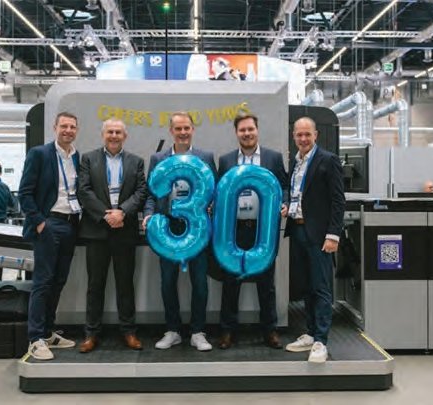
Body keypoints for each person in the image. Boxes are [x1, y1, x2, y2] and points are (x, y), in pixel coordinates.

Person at [143, 111, 217, 352]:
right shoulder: (158, 158)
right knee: (167, 281)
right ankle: (172, 330)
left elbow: (214, 191)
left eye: (187, 128)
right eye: (178, 128)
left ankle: (198, 332)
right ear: (171, 131)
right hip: (168, 227)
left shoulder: (206, 157)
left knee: (200, 282)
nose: (183, 132)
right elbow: (151, 193)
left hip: (198, 229)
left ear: (192, 129)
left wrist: (212, 206)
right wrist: (148, 215)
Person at [76, 119, 147, 353]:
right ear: (103, 134)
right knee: (95, 285)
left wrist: (122, 212)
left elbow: (141, 192)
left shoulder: (136, 161)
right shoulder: (88, 159)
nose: (114, 135)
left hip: (125, 230)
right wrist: (106, 215)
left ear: (125, 136)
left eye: (118, 132)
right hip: (97, 230)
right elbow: (83, 191)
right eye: (110, 132)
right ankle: (91, 333)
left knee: (125, 284)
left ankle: (129, 331)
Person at [216, 113, 287, 350]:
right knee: (230, 281)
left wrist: (285, 202)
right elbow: (219, 190)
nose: (247, 134)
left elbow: (284, 186)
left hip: (262, 229)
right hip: (233, 229)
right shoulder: (226, 160)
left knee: (266, 282)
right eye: (242, 130)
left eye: (250, 129)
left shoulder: (273, 158)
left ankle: (270, 330)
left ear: (257, 130)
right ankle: (227, 330)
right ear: (236, 133)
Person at [18, 112, 82, 360]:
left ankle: (47, 332)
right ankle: (35, 338)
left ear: (77, 130)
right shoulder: (40, 154)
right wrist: (40, 222)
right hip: (49, 224)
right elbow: (25, 193)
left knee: (58, 281)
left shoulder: (76, 157)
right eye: (64, 126)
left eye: (72, 127)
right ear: (55, 128)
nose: (68, 130)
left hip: (70, 224)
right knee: (43, 282)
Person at [282, 117, 345, 364]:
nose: (303, 139)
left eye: (307, 134)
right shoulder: (295, 162)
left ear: (316, 135)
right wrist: (287, 206)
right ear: (294, 136)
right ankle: (310, 333)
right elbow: (298, 195)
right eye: (299, 134)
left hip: (320, 235)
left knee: (321, 288)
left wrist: (333, 235)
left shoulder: (328, 160)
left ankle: (321, 341)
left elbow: (338, 200)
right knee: (306, 286)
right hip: (298, 230)